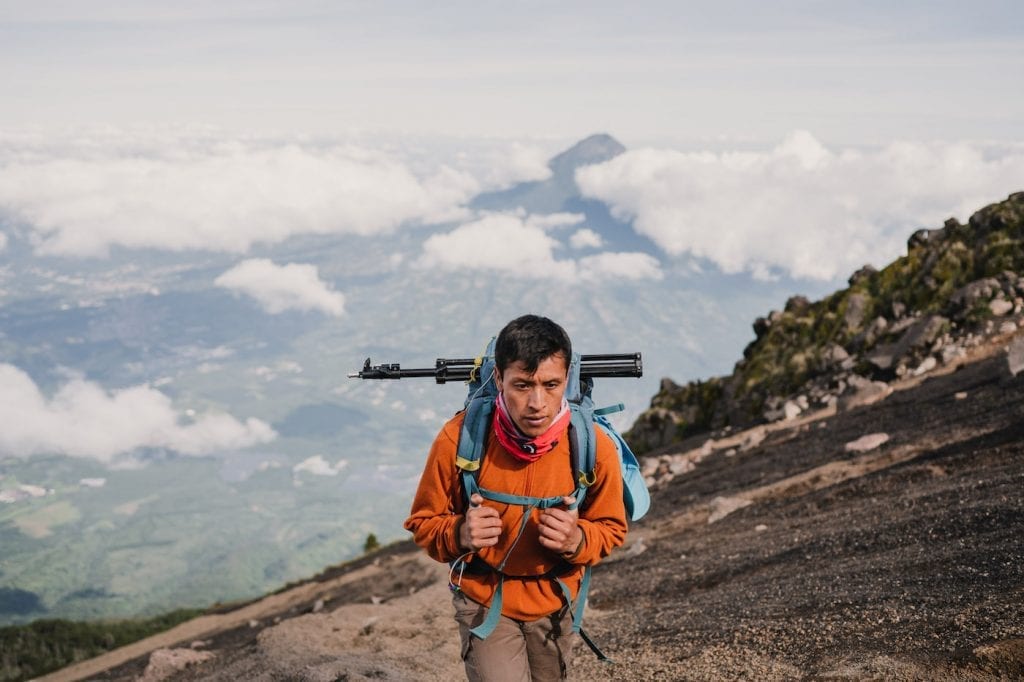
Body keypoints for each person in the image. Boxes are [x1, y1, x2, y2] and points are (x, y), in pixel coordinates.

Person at [404, 314, 628, 681]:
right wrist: (461, 533)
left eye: (551, 384)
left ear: (567, 378)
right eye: (522, 385)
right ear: (499, 379)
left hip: (557, 602)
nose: (537, 402)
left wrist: (577, 540)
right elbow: (423, 523)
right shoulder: (459, 438)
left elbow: (612, 528)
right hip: (484, 599)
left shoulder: (591, 446)